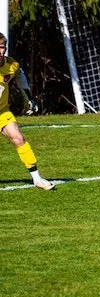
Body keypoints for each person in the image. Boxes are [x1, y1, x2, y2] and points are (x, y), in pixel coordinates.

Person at [0, 32, 55, 190]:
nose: (0, 51)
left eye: (2, 47)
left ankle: (37, 179)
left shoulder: (11, 65)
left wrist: (29, 98)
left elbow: (20, 75)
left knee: (19, 139)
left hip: (2, 112)